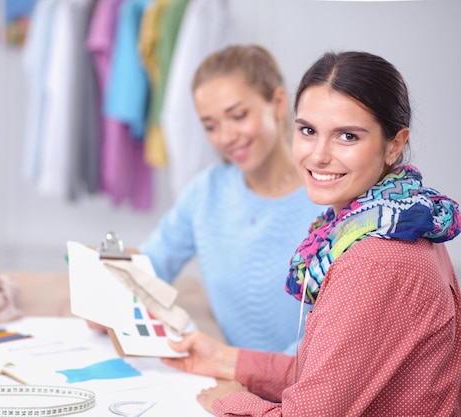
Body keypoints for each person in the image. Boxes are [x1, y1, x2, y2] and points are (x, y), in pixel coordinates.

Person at [161, 50, 461, 416]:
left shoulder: (374, 260)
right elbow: (326, 375)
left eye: (347, 136)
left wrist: (225, 402)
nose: (318, 155)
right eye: (307, 131)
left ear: (394, 145)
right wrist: (226, 360)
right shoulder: (402, 218)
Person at [134, 44, 324, 352]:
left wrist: (249, 374)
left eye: (237, 116)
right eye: (210, 125)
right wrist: (110, 296)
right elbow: (149, 265)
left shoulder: (329, 199)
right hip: (233, 384)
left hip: (307, 388)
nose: (225, 137)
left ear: (277, 104)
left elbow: (337, 337)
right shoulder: (206, 192)